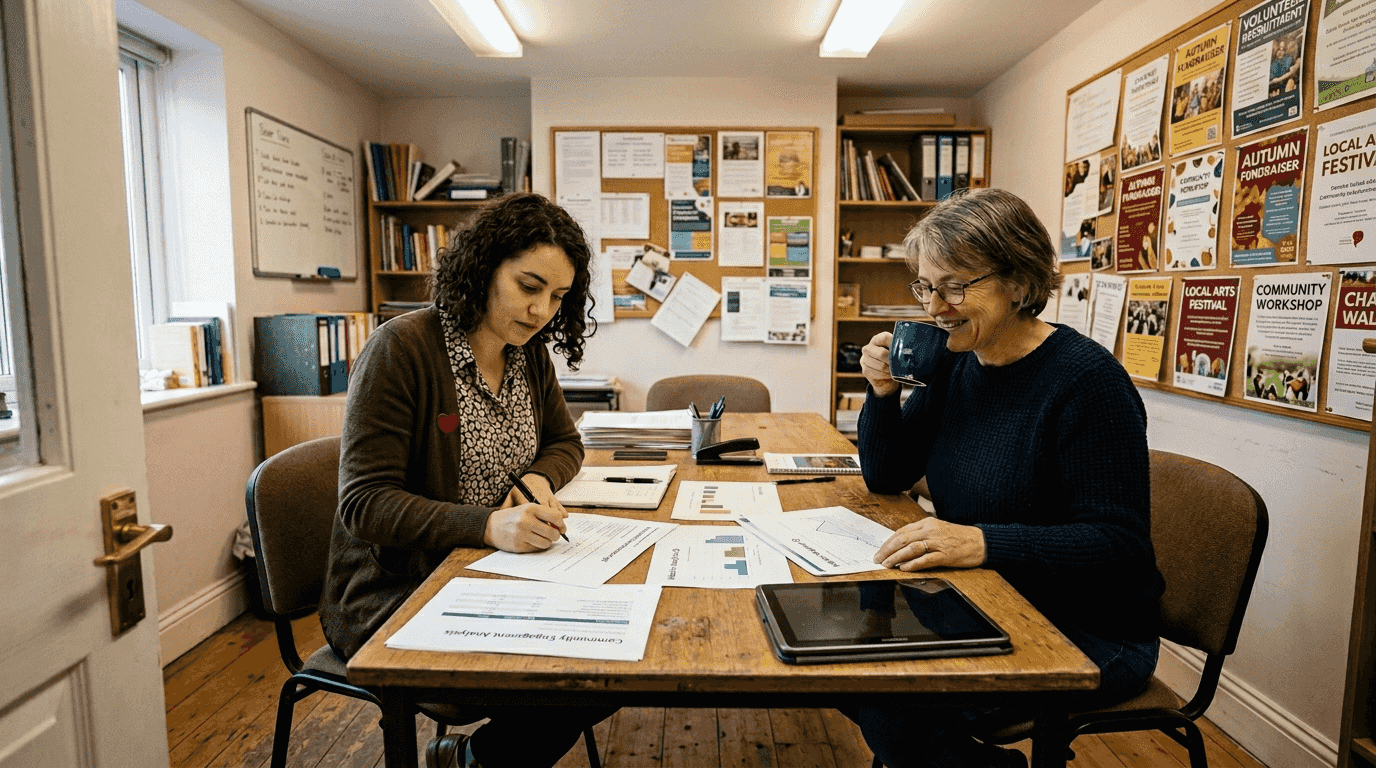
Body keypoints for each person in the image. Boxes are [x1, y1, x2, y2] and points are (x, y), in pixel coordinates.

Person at [848, 188, 1164, 768]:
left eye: (955, 286)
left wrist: (983, 541)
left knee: (890, 700)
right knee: (851, 658)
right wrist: (884, 395)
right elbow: (887, 474)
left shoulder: (1087, 384)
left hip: (1091, 628)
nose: (934, 307)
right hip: (989, 595)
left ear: (1019, 283)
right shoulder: (955, 361)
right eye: (925, 285)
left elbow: (1118, 546)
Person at [319, 193, 612, 768]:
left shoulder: (526, 354)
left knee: (612, 661)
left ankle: (473, 759)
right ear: (483, 267)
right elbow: (365, 504)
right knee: (570, 675)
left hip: (494, 569)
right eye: (529, 287)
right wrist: (489, 525)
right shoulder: (401, 349)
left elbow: (565, 443)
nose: (541, 312)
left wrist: (534, 480)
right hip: (397, 585)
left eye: (557, 297)